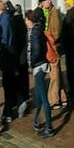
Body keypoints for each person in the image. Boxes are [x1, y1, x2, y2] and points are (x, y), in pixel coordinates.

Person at [26, 8, 53, 138]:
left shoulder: (35, 32)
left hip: (39, 67)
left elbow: (36, 50)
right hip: (39, 66)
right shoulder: (35, 30)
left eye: (26, 19)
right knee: (38, 95)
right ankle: (37, 120)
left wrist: (32, 62)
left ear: (29, 20)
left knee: (43, 97)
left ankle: (49, 127)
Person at [39, 0, 67, 109]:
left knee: (54, 74)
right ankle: (63, 97)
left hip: (52, 46)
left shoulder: (53, 12)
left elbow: (55, 31)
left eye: (44, 1)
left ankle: (54, 100)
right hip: (53, 46)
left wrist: (51, 41)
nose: (43, 4)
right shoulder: (49, 12)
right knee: (57, 72)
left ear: (49, 1)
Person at [61, 0, 74, 99]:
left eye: (66, 4)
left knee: (70, 68)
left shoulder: (69, 16)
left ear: (69, 5)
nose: (65, 6)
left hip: (69, 44)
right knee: (71, 67)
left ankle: (73, 89)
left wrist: (63, 43)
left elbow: (66, 31)